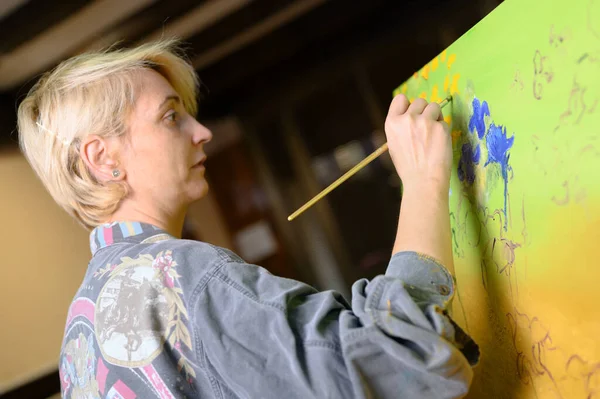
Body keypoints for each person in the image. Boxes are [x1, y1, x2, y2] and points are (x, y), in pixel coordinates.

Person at [17, 39, 478, 398]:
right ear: (103, 159)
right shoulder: (179, 277)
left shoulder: (79, 333)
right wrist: (423, 183)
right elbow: (404, 367)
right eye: (171, 116)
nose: (203, 132)